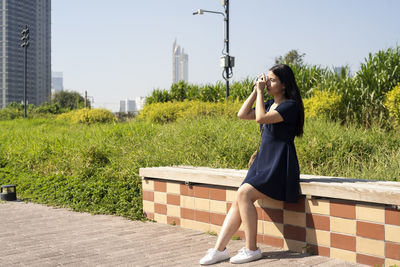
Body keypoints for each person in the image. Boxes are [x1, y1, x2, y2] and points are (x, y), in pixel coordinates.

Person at [199, 64, 305, 265]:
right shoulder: (268, 103)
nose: (267, 83)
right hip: (263, 162)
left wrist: (259, 92)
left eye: (272, 80)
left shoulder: (289, 106)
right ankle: (219, 249)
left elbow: (260, 118)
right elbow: (242, 113)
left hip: (280, 163)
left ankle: (252, 249)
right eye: (268, 79)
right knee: (239, 200)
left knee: (244, 194)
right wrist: (255, 91)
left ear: (283, 85)